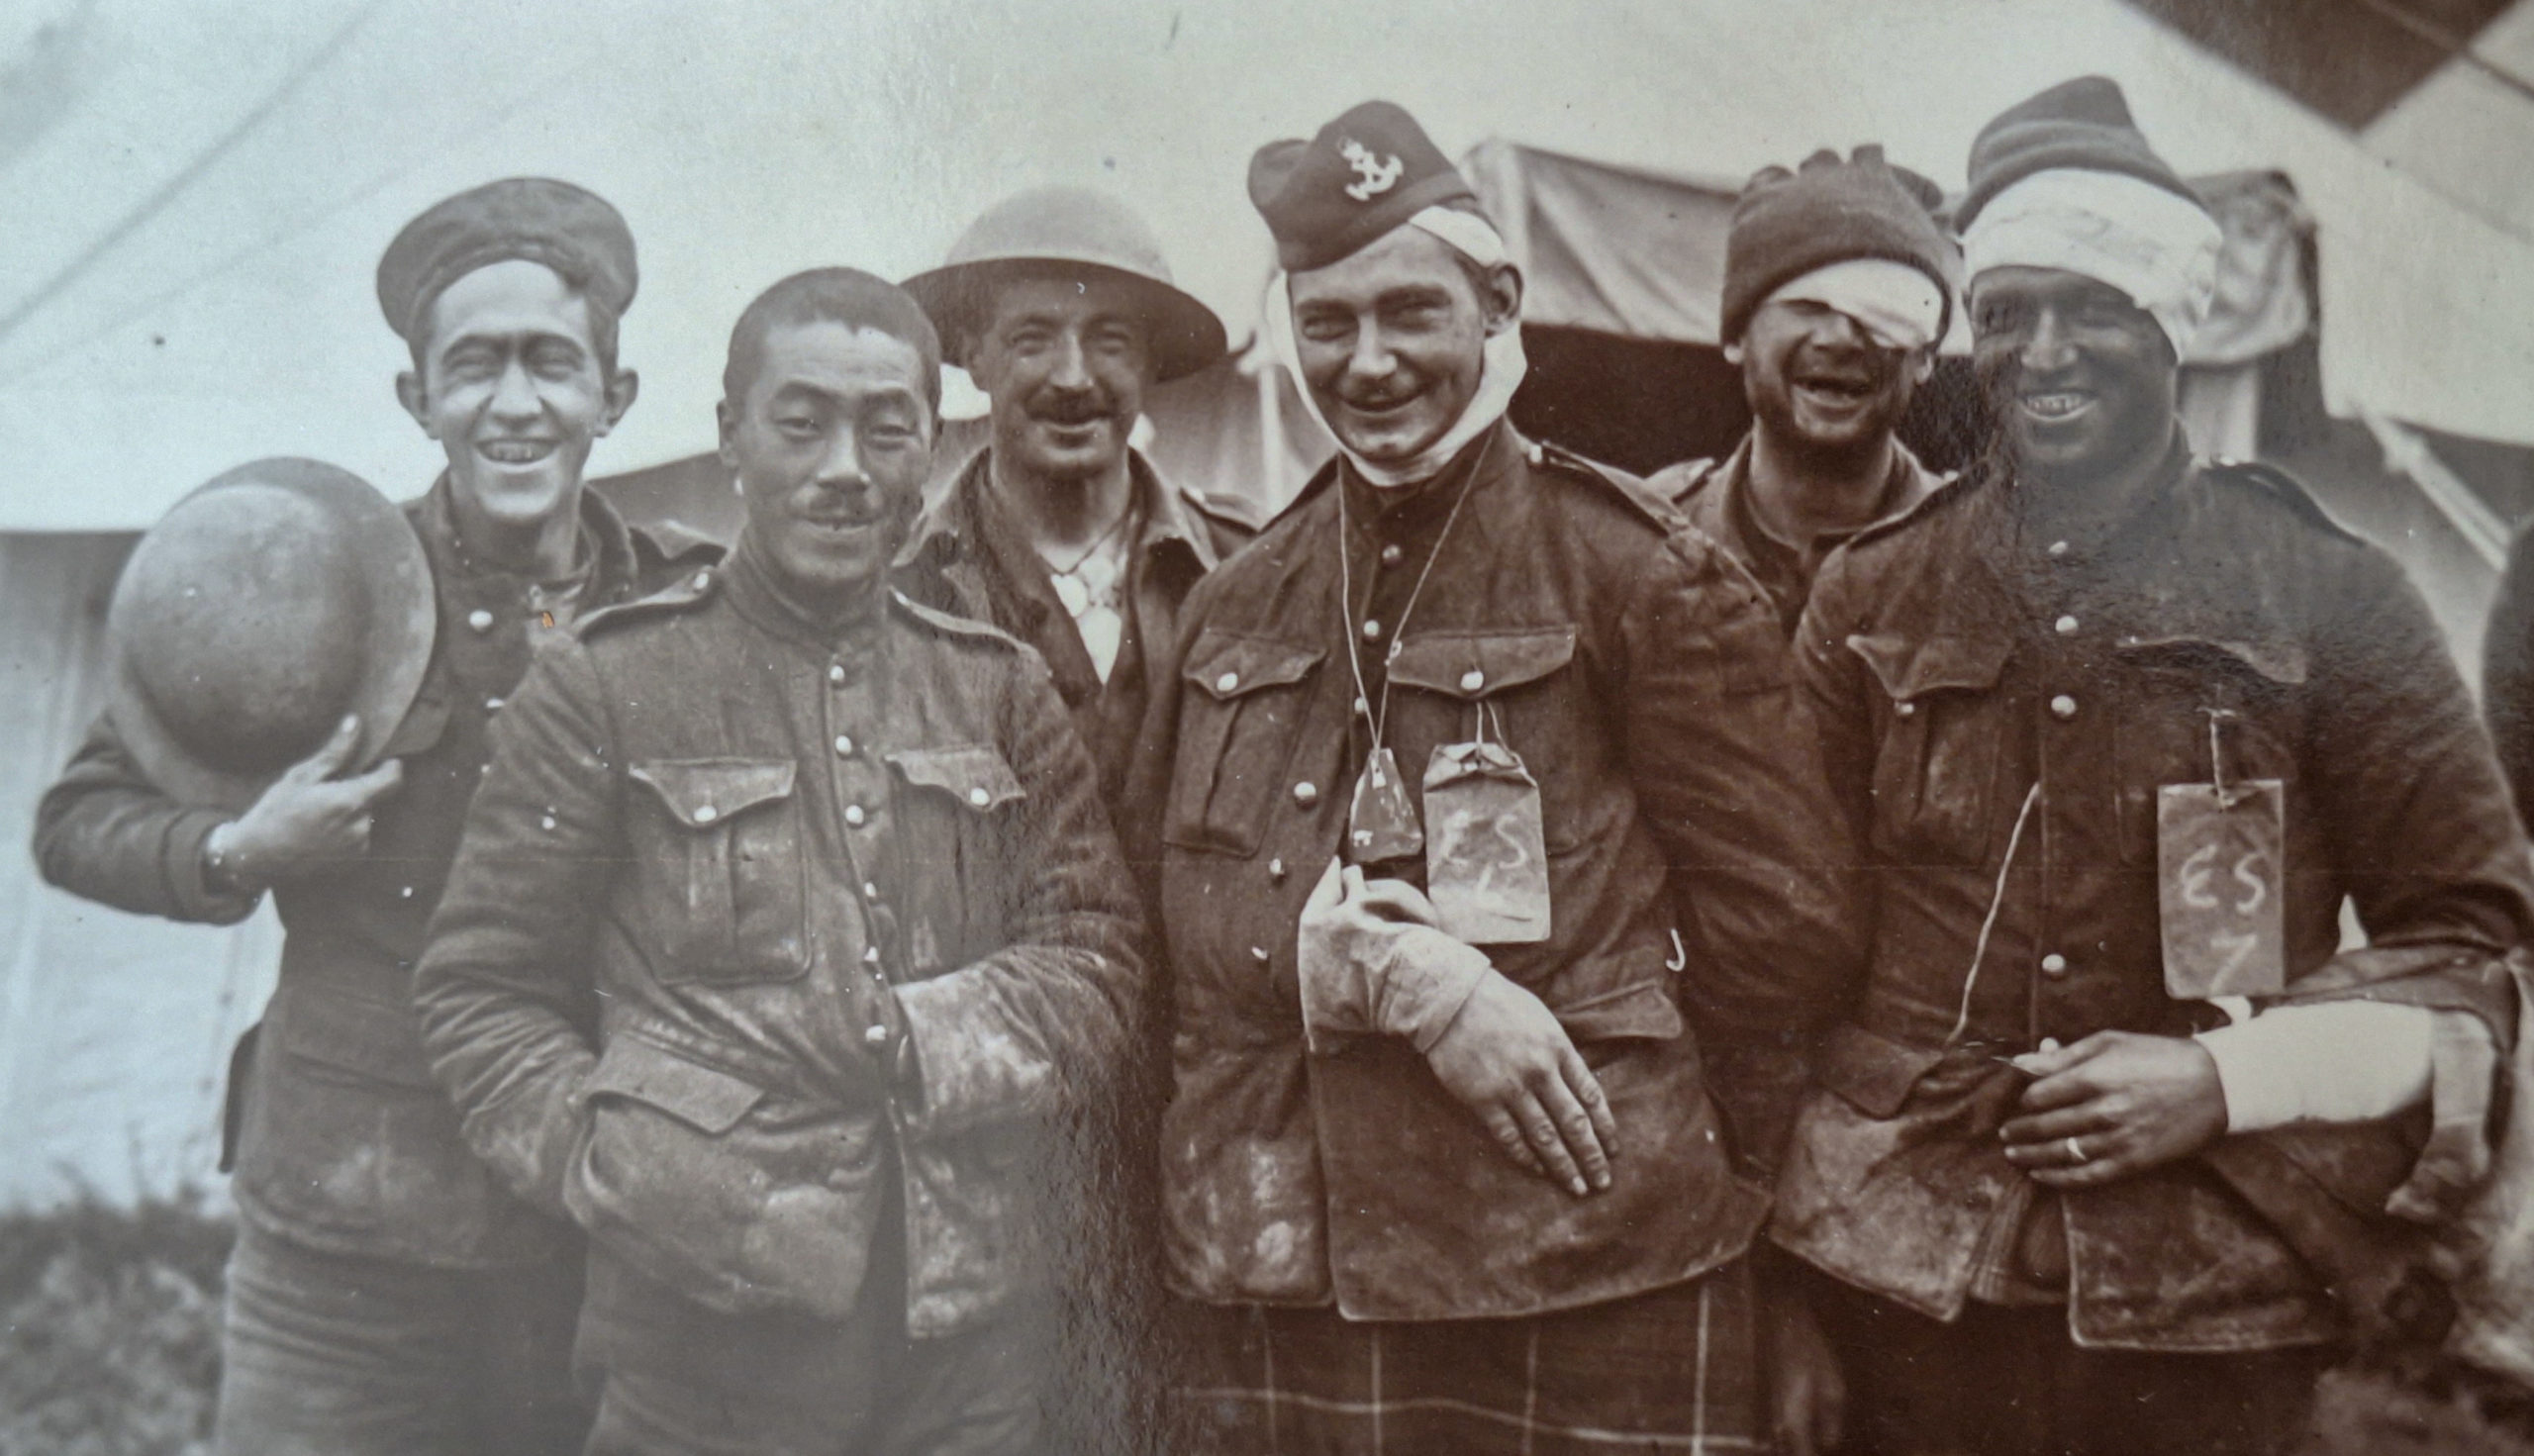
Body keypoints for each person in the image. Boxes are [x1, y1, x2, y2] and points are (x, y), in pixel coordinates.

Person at [1774, 75, 2533, 1456]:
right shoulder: (1869, 595)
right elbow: (1777, 958)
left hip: (2217, 1293)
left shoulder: (2330, 590)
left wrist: (2232, 1079)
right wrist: (1780, 1295)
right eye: (2008, 314)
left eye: (2096, 309)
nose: (2045, 352)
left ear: (2173, 328)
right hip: (1897, 1269)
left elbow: (2470, 932)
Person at [1127, 99, 1860, 1453]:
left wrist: (1698, 1183)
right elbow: (1175, 933)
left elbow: (1786, 942)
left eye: (1410, 310)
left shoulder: (1641, 568)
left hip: (1588, 1261)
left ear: (1498, 300)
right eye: (1327, 321)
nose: (1370, 360)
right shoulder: (1236, 602)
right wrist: (1418, 979)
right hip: (1291, 1269)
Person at [413, 266, 1145, 1455]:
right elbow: (479, 992)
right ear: (730, 438)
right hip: (698, 1353)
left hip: (973, 1349)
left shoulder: (996, 685)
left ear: (929, 447)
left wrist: (919, 1035)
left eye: (884, 427)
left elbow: (1099, 954)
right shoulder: (608, 683)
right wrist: (617, 1164)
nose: (843, 468)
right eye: (800, 424)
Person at [33, 177, 702, 1456]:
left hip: (598, 1227)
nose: (514, 404)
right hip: (348, 1226)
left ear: (612, 397)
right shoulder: (309, 574)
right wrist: (239, 848)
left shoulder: (687, 606)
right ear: (419, 399)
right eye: (473, 367)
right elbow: (80, 816)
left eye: (552, 364)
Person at [899, 186, 1255, 812]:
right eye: (1031, 340)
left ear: (1150, 360)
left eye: (1109, 341)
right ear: (975, 357)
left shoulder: (1244, 566)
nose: (1072, 377)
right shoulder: (903, 585)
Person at [1647, 145, 1955, 635]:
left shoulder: (1978, 556)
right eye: (1807, 303)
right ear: (1736, 335)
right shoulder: (1646, 537)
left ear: (1925, 356)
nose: (1839, 339)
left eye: (1881, 314)